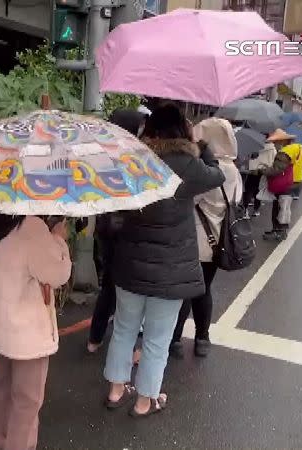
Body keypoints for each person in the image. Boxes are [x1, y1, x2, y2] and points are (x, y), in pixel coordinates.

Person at [104, 104, 225, 417]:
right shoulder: (188, 163)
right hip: (172, 271)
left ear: (150, 129)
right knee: (157, 340)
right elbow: (218, 175)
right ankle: (145, 402)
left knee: (123, 329)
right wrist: (204, 147)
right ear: (181, 131)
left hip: (131, 262)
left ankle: (116, 391)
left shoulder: (135, 160)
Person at [0, 211, 71, 450]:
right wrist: (58, 238)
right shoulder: (31, 228)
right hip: (24, 336)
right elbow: (58, 273)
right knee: (26, 401)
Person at [170, 117, 243, 358]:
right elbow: (237, 200)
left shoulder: (205, 169)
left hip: (197, 239)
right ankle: (202, 338)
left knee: (187, 291)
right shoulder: (233, 170)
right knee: (205, 289)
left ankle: (176, 339)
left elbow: (190, 199)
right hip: (219, 241)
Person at [88, 109, 146, 355]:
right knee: (127, 289)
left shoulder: (102, 154)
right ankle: (128, 346)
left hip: (106, 228)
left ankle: (95, 338)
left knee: (109, 286)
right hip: (127, 231)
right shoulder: (134, 157)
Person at [259, 129, 300, 241]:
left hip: (283, 185)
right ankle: (277, 230)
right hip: (289, 183)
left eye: (276, 141)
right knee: (282, 207)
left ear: (282, 141)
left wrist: (262, 171)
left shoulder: (284, 154)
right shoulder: (293, 150)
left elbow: (276, 169)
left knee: (281, 208)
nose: (275, 143)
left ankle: (279, 232)